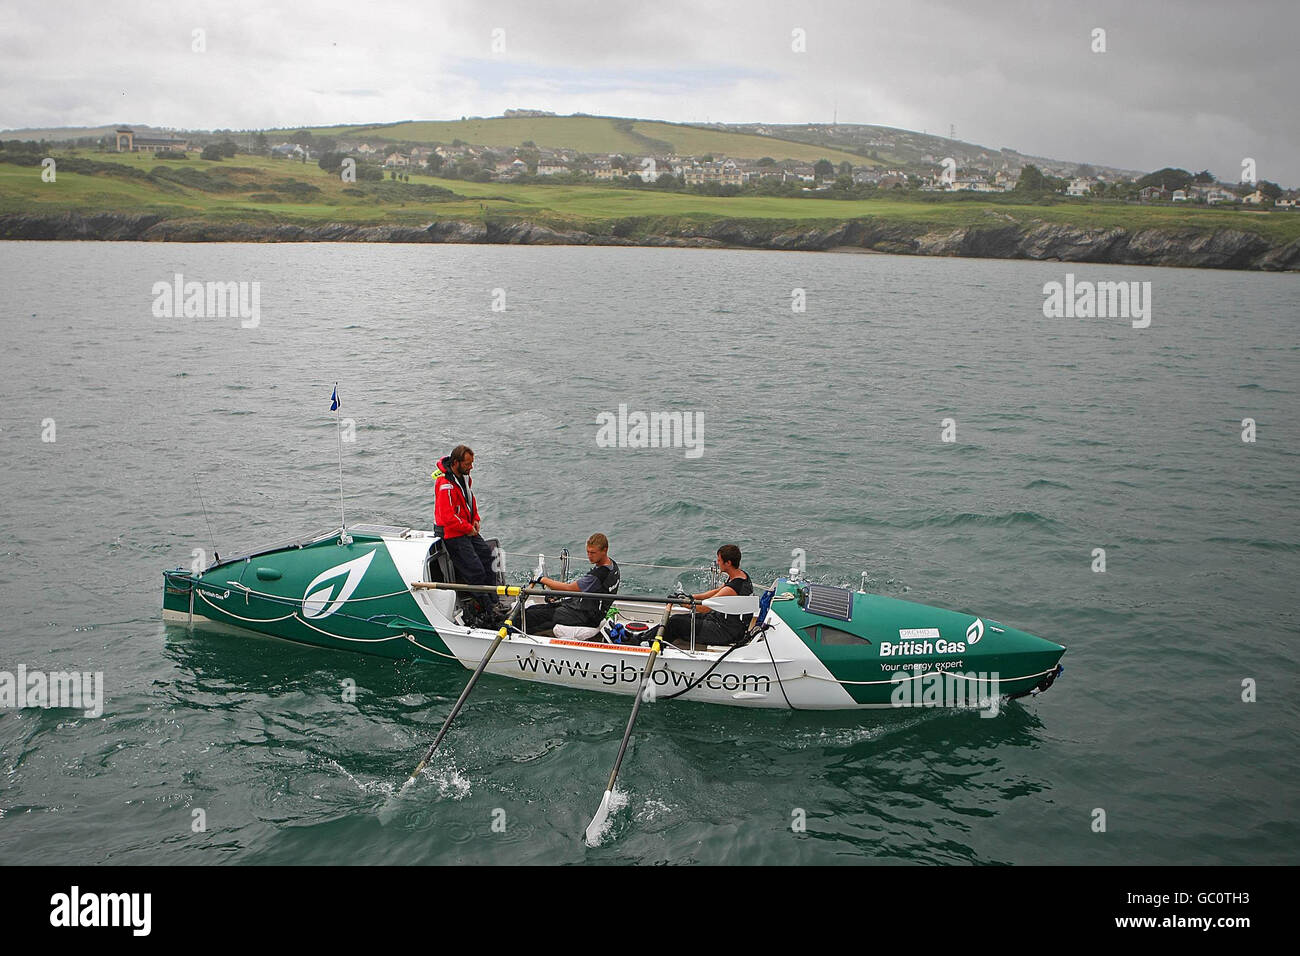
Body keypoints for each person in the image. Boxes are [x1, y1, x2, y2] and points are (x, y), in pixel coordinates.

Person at [432, 445, 500, 621]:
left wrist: (475, 518)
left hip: (467, 528)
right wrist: (468, 528)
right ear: (456, 463)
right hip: (453, 534)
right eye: (468, 464)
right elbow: (448, 517)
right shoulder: (444, 484)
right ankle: (487, 606)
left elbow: (470, 500)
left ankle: (494, 597)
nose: (471, 467)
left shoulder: (464, 478)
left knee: (490, 556)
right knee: (474, 569)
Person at [524, 534, 620, 635]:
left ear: (605, 550)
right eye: (588, 552)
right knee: (534, 609)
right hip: (587, 609)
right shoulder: (613, 566)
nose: (589, 556)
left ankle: (513, 631)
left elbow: (568, 588)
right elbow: (587, 589)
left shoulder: (598, 576)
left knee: (534, 616)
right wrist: (557, 596)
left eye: (593, 553)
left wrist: (541, 579)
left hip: (587, 617)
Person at [664, 544, 753, 646]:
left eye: (719, 560)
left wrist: (681, 603)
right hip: (723, 621)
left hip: (726, 632)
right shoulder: (740, 575)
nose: (717, 563)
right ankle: (646, 637)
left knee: (674, 622)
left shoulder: (732, 588)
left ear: (728, 563)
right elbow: (717, 591)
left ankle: (648, 643)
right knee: (677, 619)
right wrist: (691, 596)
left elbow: (706, 607)